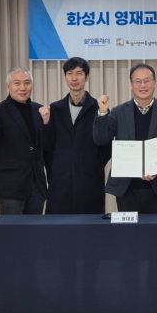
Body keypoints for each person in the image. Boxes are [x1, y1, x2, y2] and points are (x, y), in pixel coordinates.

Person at [93, 63, 157, 213]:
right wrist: (102, 112)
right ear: (131, 84)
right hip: (126, 188)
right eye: (138, 81)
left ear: (154, 83)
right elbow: (100, 139)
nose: (142, 85)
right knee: (129, 228)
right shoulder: (118, 112)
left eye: (147, 80)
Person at [39, 57, 111, 214]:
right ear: (65, 77)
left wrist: (92, 165)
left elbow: (107, 147)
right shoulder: (54, 109)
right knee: (58, 226)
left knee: (90, 226)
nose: (74, 78)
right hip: (60, 183)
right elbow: (47, 147)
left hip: (90, 182)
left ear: (87, 77)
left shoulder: (99, 108)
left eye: (79, 73)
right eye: (70, 73)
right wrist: (45, 124)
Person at [0, 67, 47, 214]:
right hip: (10, 188)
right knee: (10, 229)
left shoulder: (39, 110)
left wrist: (46, 124)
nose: (22, 87)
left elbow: (46, 146)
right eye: (17, 83)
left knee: (36, 229)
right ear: (8, 86)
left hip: (36, 186)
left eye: (27, 83)